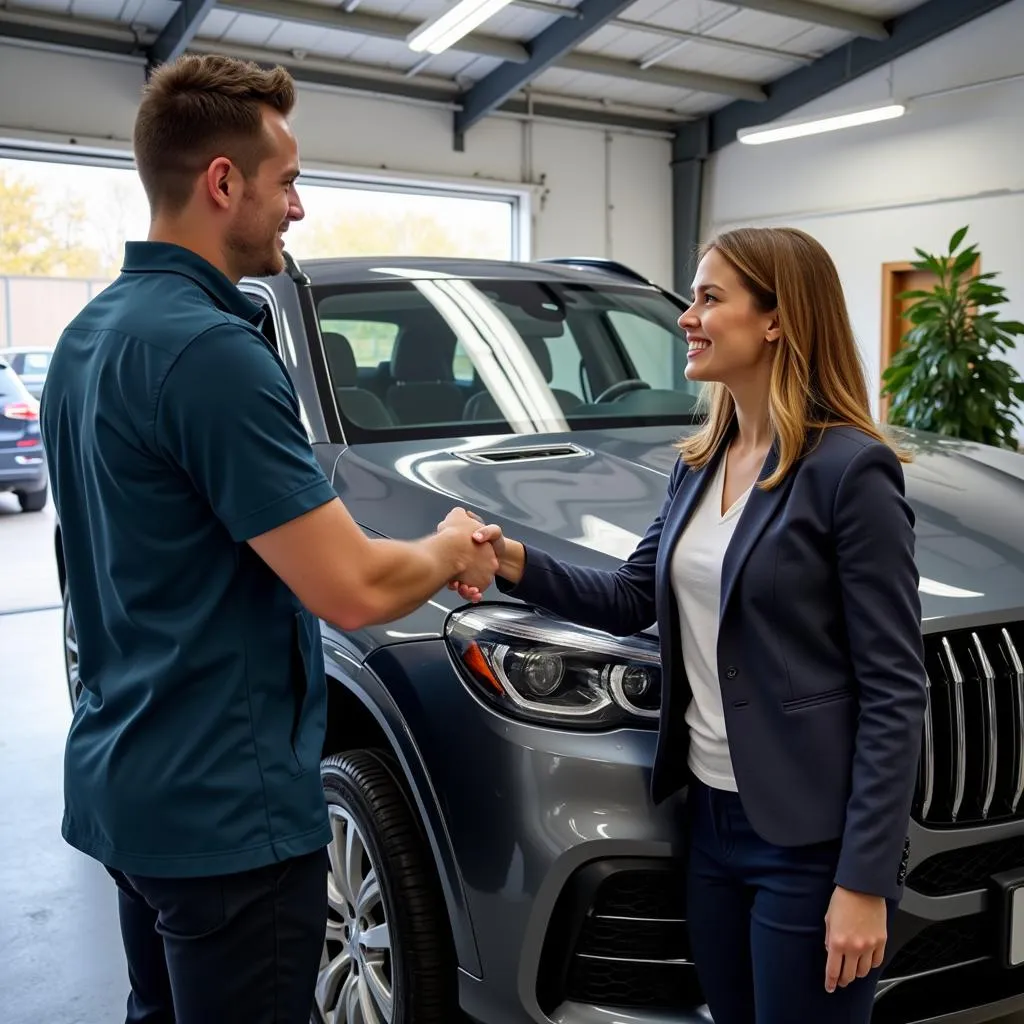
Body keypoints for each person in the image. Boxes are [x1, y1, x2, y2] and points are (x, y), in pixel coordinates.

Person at [39, 54, 497, 1024]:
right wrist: (452, 547)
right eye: (286, 180)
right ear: (222, 182)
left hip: (131, 788)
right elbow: (353, 589)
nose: (298, 207)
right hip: (225, 816)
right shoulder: (211, 352)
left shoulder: (90, 336)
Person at [451, 226, 929, 1023]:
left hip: (806, 844)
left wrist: (864, 881)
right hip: (708, 825)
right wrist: (511, 563)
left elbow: (894, 691)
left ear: (776, 320)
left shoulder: (850, 471)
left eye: (711, 298)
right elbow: (632, 596)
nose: (687, 316)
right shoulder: (701, 461)